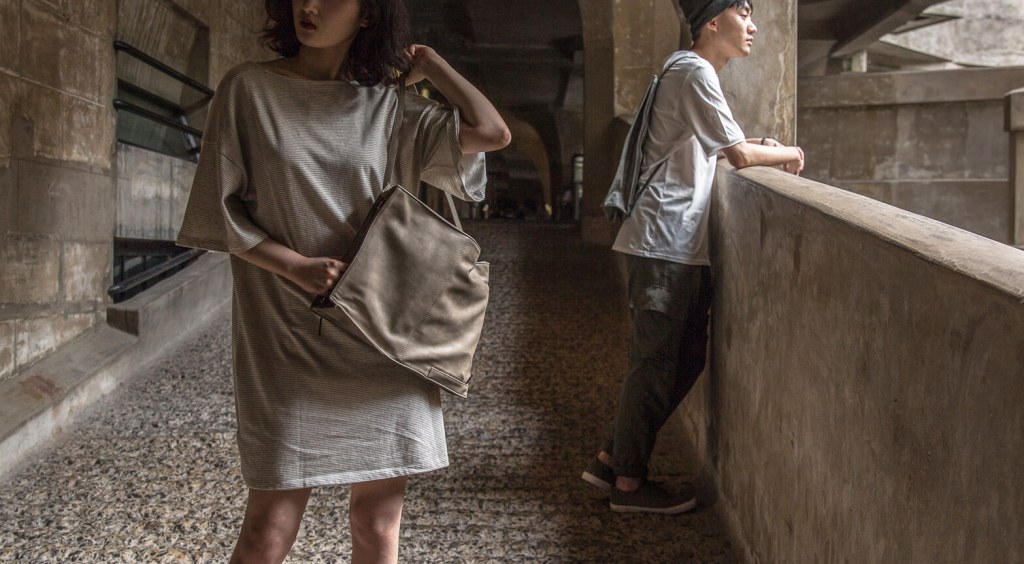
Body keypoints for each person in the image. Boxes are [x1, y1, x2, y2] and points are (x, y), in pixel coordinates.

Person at [175, 0, 510, 561]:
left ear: (368, 15)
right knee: (268, 528)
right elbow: (218, 210)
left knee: (376, 526)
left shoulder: (391, 108)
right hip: (286, 333)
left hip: (383, 334)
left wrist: (431, 64)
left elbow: (492, 132)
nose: (308, 5)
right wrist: (294, 266)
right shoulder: (249, 90)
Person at [582, 0, 804, 514]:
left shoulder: (690, 72)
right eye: (743, 14)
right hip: (665, 241)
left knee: (682, 358)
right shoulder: (694, 72)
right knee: (657, 362)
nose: (753, 26)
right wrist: (789, 153)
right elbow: (739, 157)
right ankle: (629, 484)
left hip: (673, 241)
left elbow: (718, 144)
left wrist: (760, 143)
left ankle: (612, 458)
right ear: (713, 22)